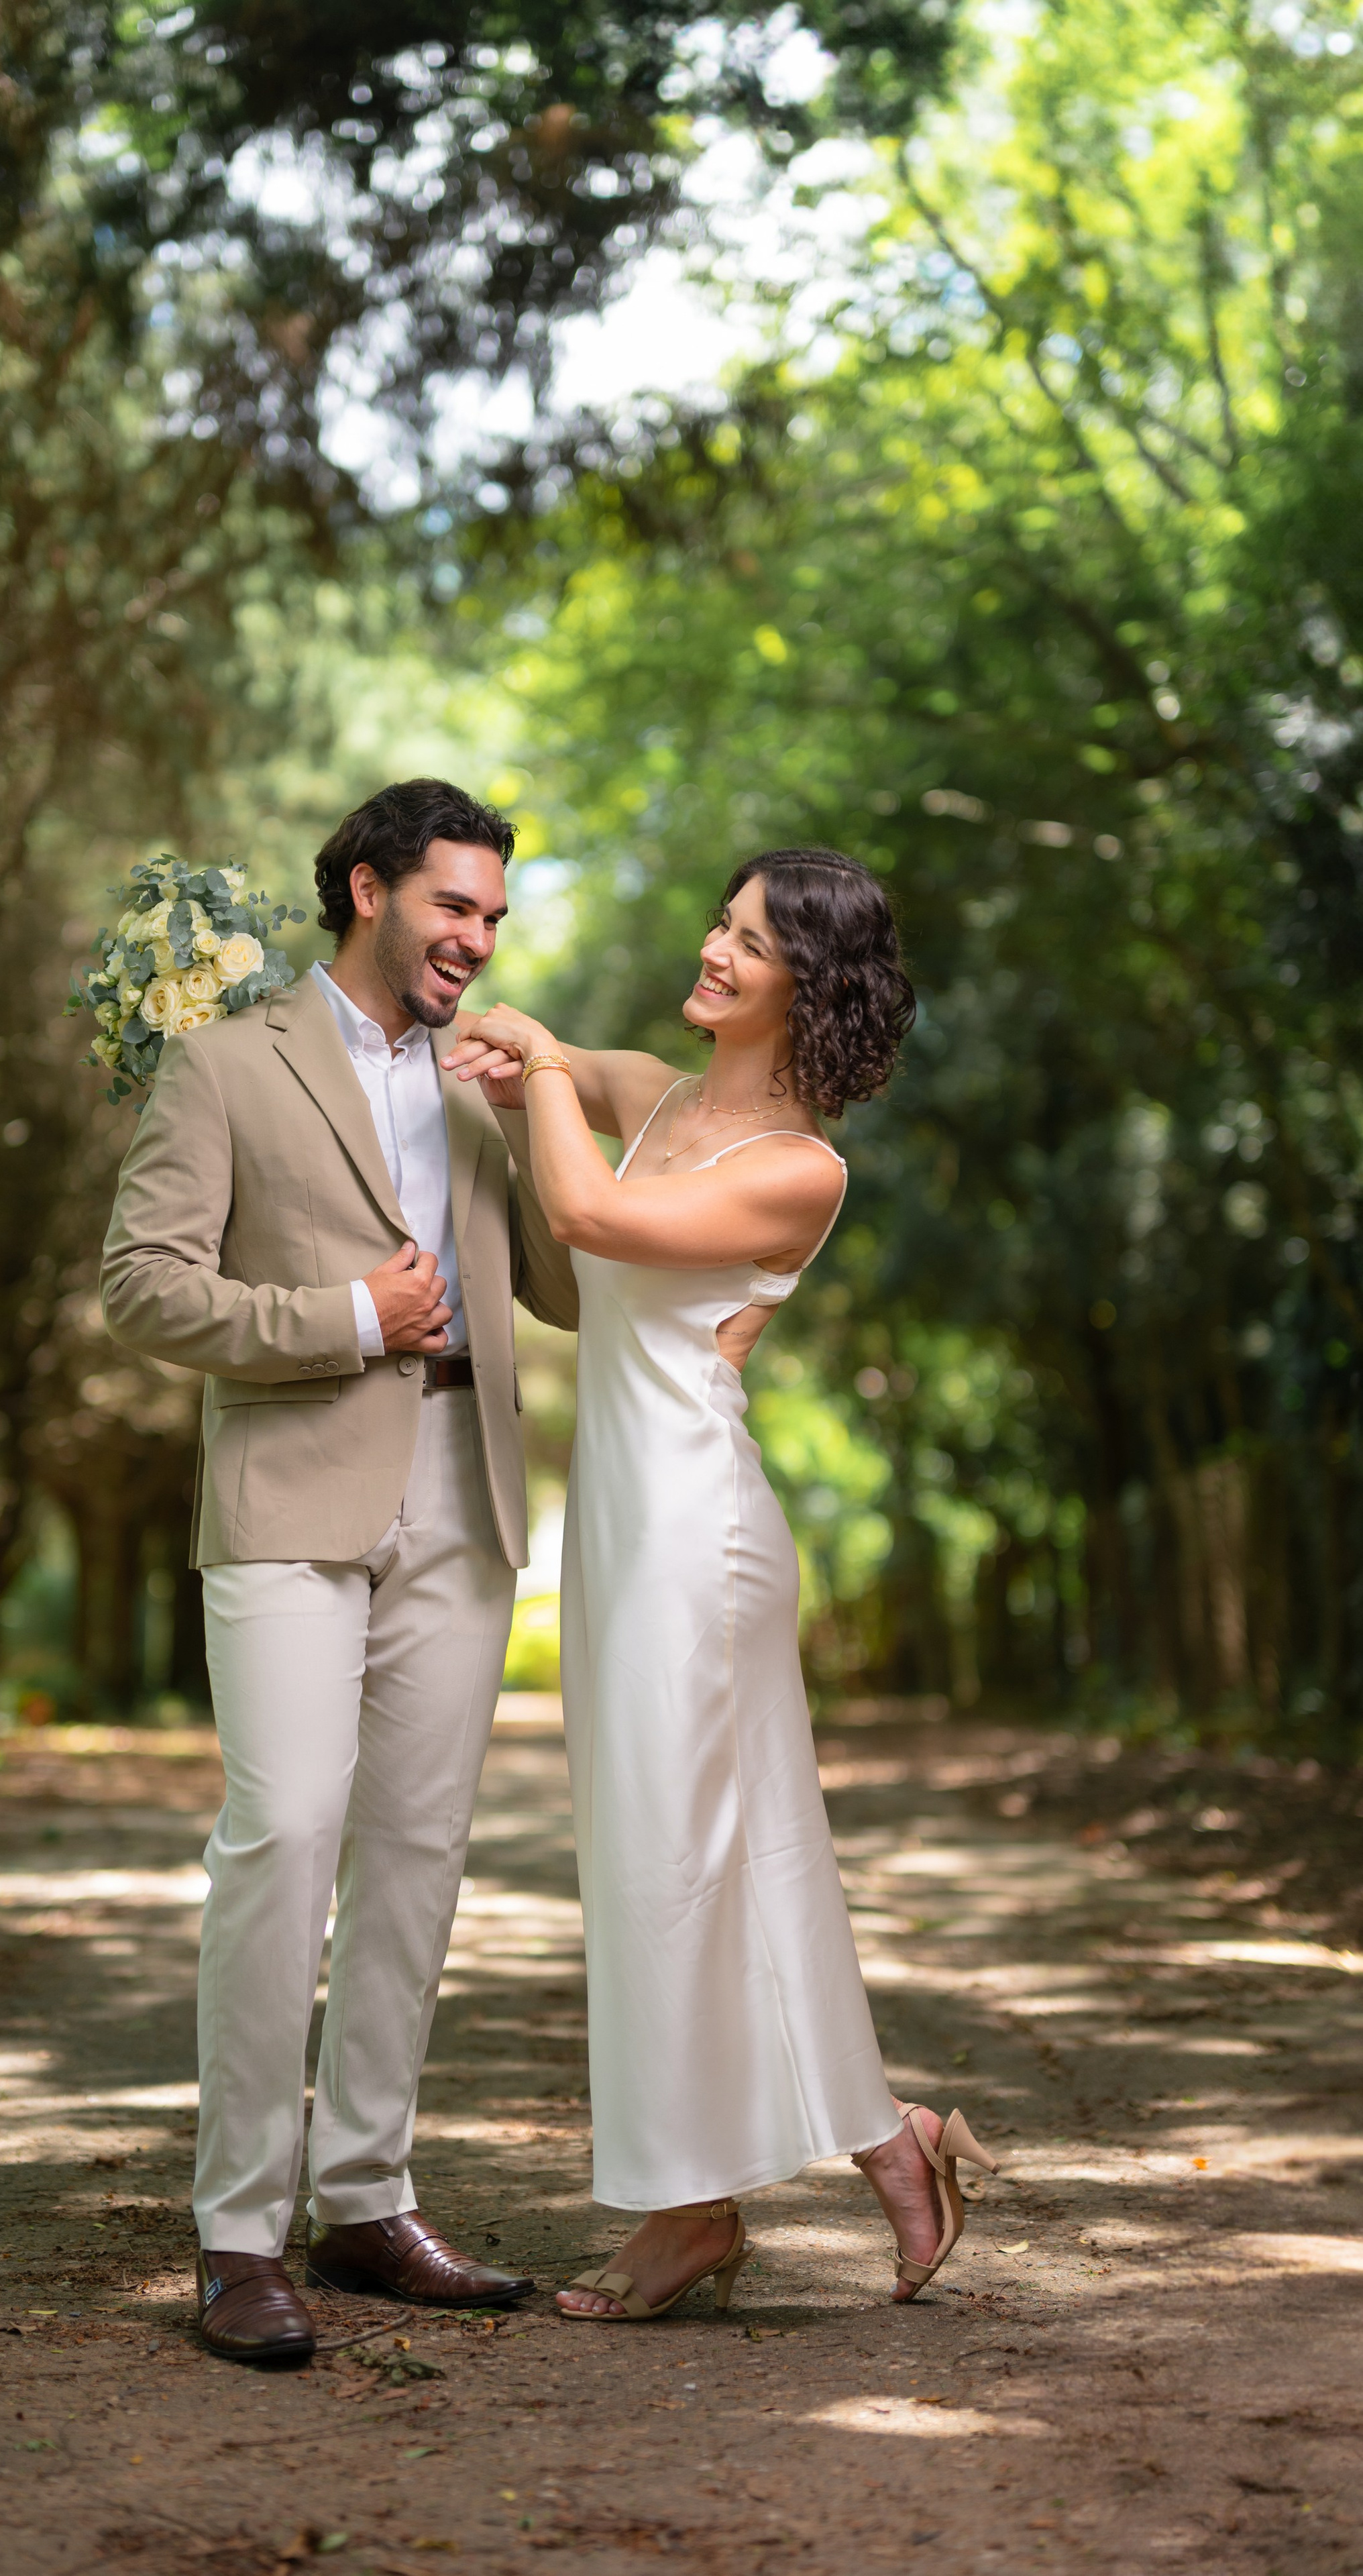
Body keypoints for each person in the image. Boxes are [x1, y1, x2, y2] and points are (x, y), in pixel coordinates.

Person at [443, 845, 997, 2321]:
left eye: (747, 941)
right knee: (686, 1862)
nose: (710, 947)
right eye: (719, 920)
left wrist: (545, 1066)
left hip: (699, 1534)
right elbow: (533, 1097)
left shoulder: (794, 1171)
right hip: (625, 1531)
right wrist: (484, 1045)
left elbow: (590, 1221)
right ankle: (888, 2147)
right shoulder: (661, 1096)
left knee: (676, 1866)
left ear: (802, 987)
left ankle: (687, 2217)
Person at [101, 778, 579, 2367]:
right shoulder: (226, 1060)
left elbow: (568, 1284)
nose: (477, 938)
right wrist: (340, 1320)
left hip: (466, 1486)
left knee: (417, 1849)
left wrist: (545, 1109)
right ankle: (240, 2233)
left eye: (495, 916)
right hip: (291, 1485)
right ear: (368, 889)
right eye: (454, 905)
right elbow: (143, 1289)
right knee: (286, 1831)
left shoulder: (480, 1079)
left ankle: (368, 2199)